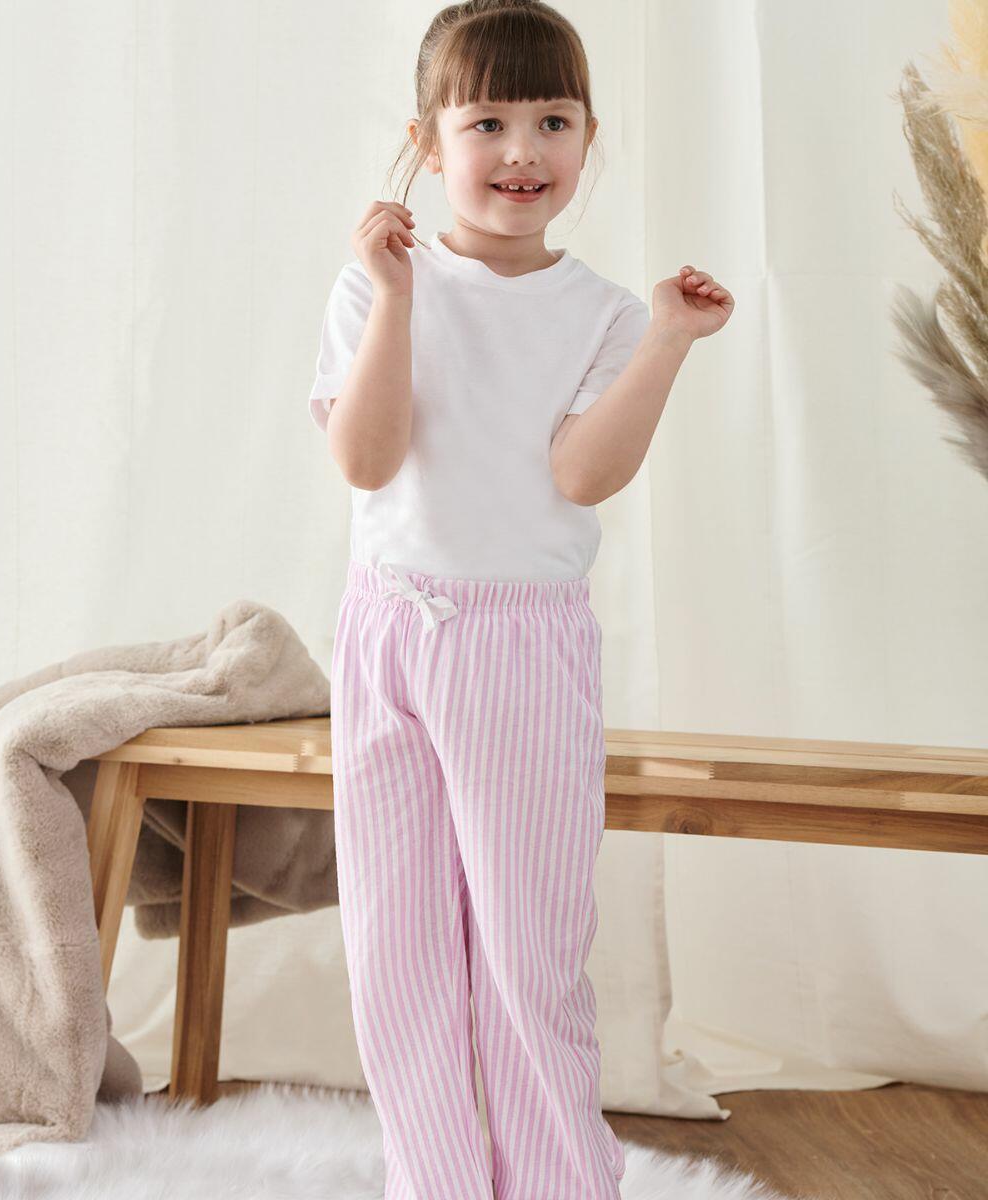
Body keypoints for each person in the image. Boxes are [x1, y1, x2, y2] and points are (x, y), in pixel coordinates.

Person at [306, 3, 734, 1197]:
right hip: (386, 631)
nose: (521, 150)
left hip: (517, 647)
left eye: (552, 120)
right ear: (426, 141)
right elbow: (365, 461)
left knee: (525, 950)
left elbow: (581, 475)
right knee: (395, 950)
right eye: (486, 121)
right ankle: (437, 1180)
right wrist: (396, 296)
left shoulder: (600, 313)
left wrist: (666, 340)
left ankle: (558, 1183)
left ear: (589, 136)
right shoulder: (372, 289)